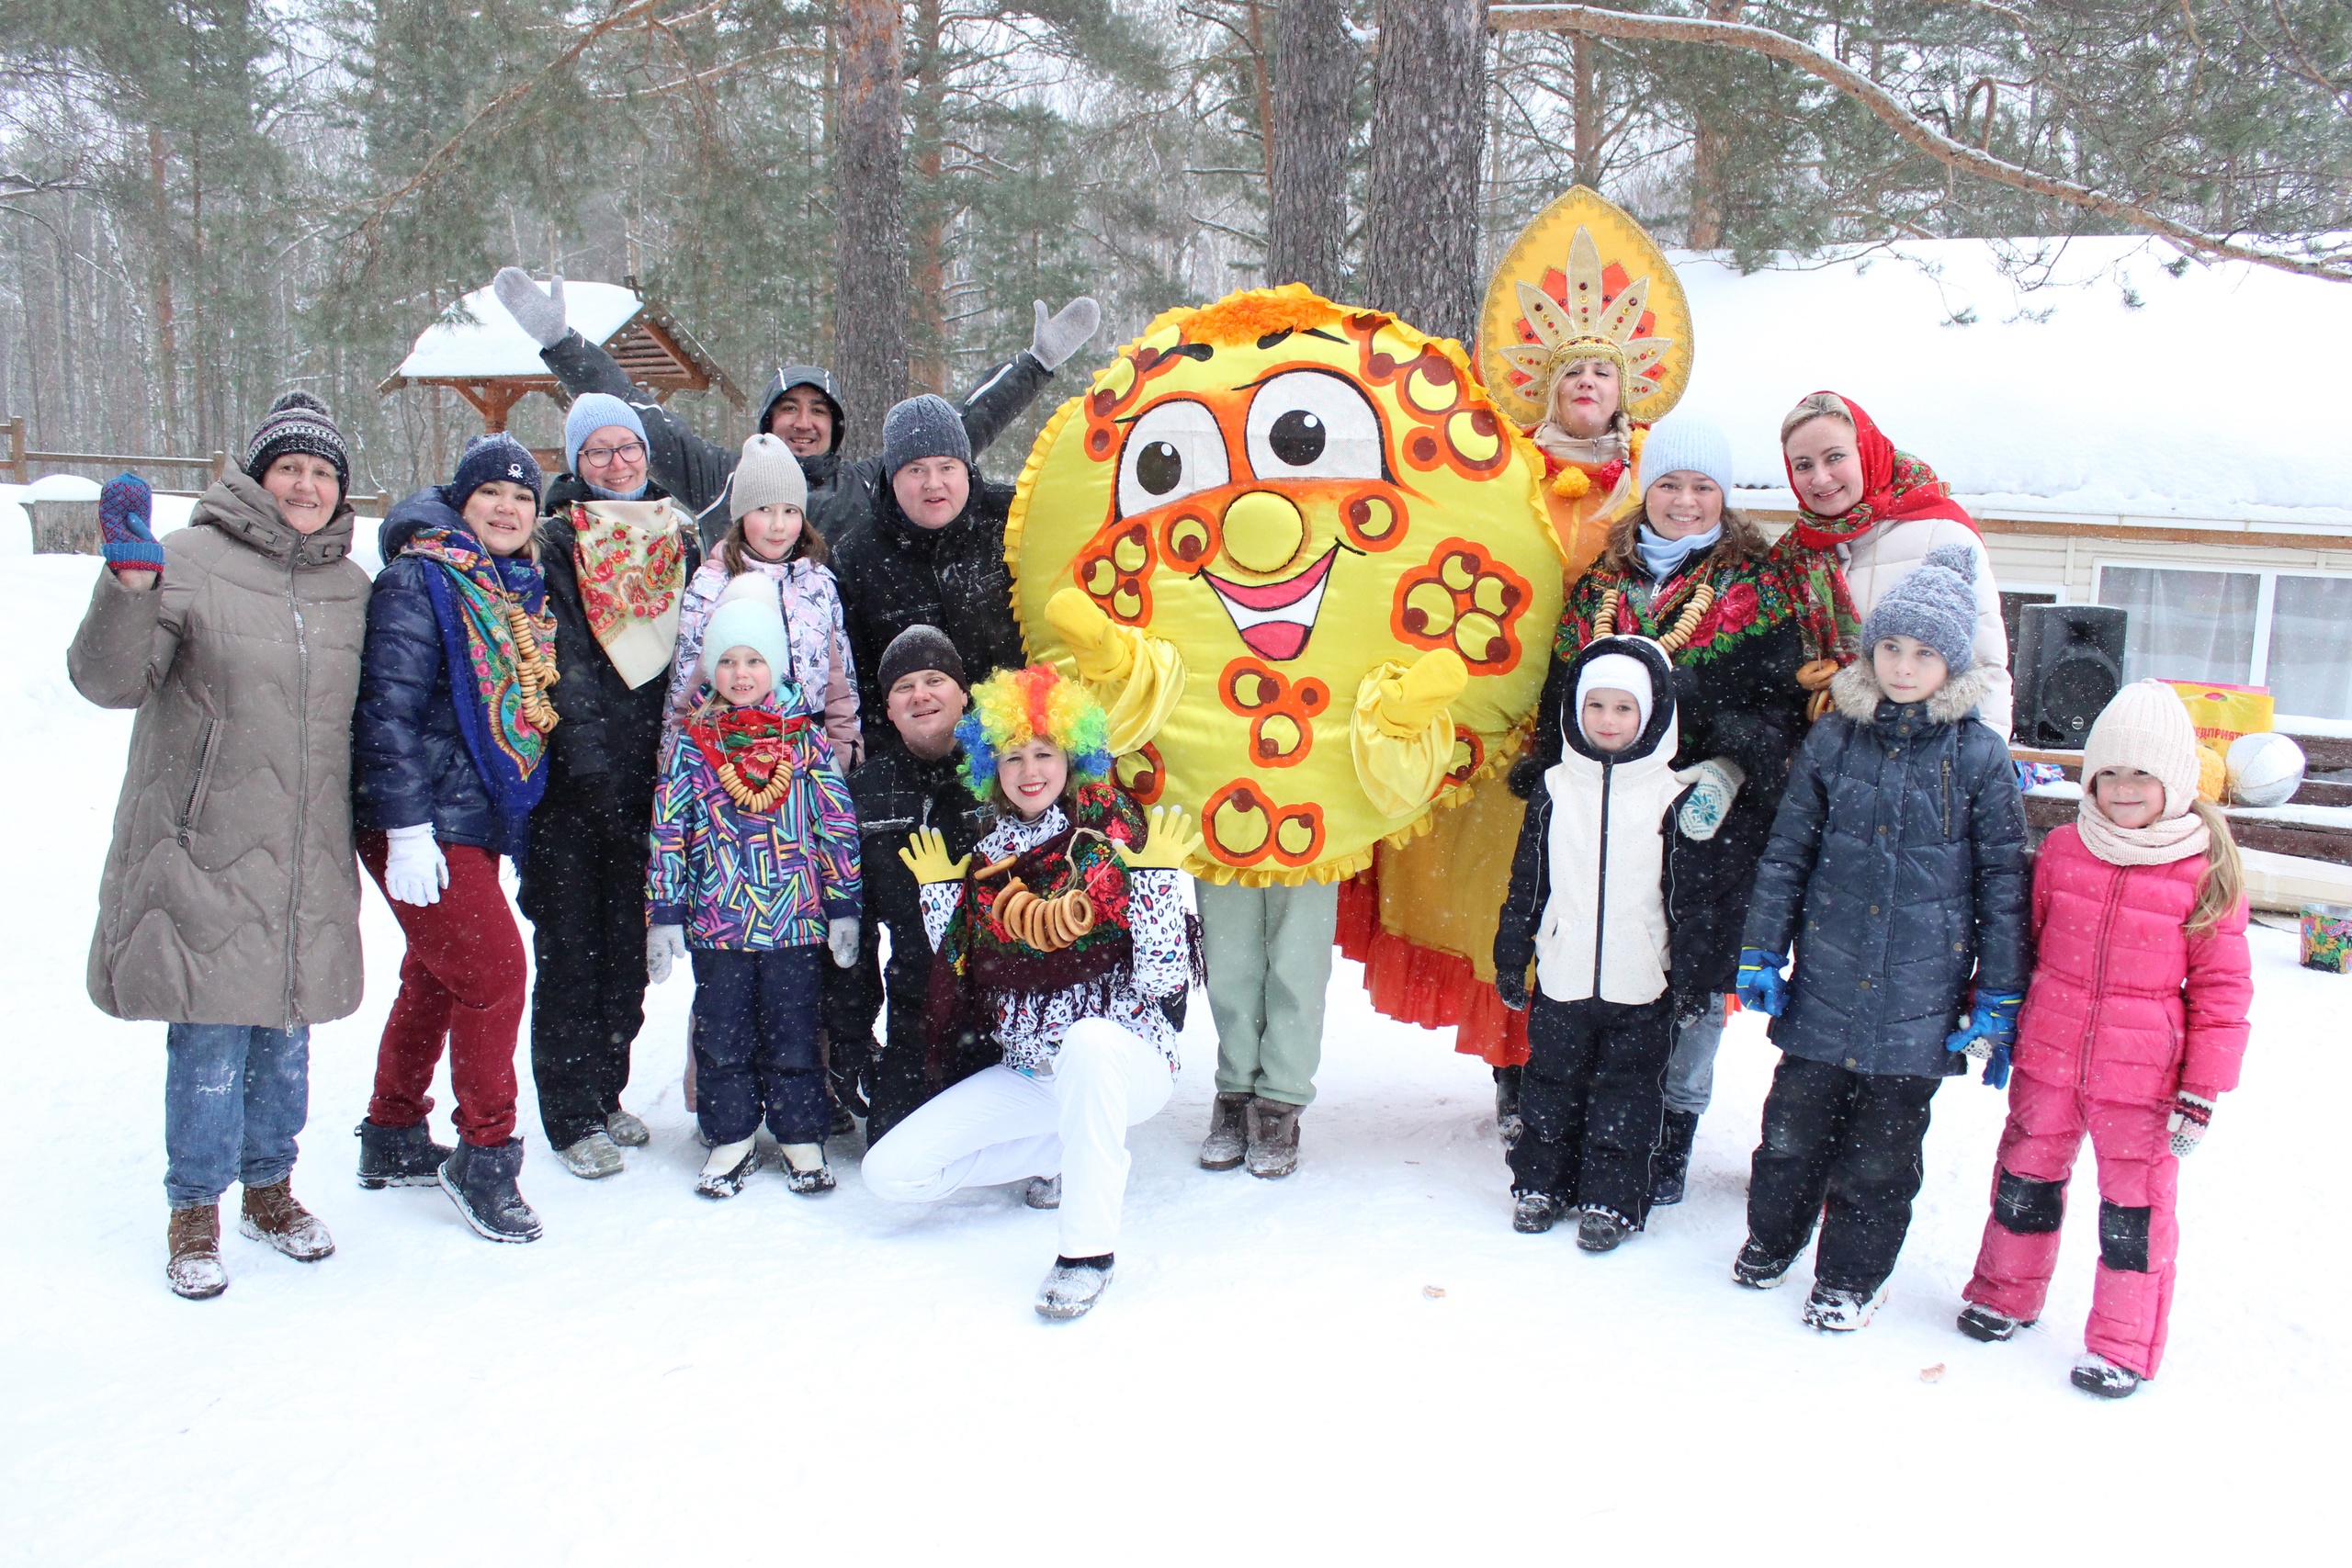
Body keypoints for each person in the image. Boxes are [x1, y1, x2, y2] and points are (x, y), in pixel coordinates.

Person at [67, 393, 370, 1300]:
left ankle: (270, 1190)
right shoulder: (190, 561)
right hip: (204, 843)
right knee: (208, 1035)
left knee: (286, 1030)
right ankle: (194, 1209)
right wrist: (130, 587)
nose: (306, 486)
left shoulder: (352, 588)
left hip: (308, 849)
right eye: (289, 468)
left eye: (322, 472)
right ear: (256, 476)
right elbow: (109, 681)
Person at [1516, 415, 1838, 1205]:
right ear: (1646, 490)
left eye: (1702, 486)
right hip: (1606, 818)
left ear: (1723, 495)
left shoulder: (1758, 585)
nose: (1685, 501)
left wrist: (1728, 755)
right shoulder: (1602, 582)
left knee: (1692, 969)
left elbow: (1781, 706)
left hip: (1705, 815)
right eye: (1668, 484)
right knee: (1604, 961)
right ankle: (1597, 1126)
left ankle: (1673, 1125)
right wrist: (1550, 762)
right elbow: (1564, 688)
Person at [1733, 545, 2030, 1330]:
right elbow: (1788, 852)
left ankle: (1850, 1278)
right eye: (1891, 646)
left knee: (1880, 1157)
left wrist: (1999, 994)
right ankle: (1771, 1238)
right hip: (1826, 983)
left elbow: (2004, 886)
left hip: (1918, 1003)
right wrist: (1763, 947)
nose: (1903, 665)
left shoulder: (1979, 757)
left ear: (1952, 664)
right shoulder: (1834, 740)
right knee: (1790, 1131)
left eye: (1924, 653)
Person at [863, 665, 1201, 1320]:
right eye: (1013, 756)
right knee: (890, 1173)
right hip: (1033, 1074)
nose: (1029, 771)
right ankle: (1080, 1147)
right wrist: (941, 895)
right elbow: (965, 973)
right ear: (992, 767)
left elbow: (1163, 981)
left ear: (1071, 758)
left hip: (1126, 1058)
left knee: (1088, 1041)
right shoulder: (987, 855)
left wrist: (1158, 882)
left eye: (1044, 753)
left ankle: (1086, 1253)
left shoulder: (1113, 837)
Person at [1957, 681, 2251, 1398]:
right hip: (2050, 1057)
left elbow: (2223, 991)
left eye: (2141, 773)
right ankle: (2004, 1294)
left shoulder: (2202, 867)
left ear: (2174, 779)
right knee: (2024, 1182)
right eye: (2109, 771)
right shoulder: (2065, 849)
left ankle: (2122, 1343)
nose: (2122, 788)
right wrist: (1990, 1013)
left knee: (2134, 1213)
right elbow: (2019, 945)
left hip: (2143, 1080)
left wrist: (2201, 1089)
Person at [490, 266, 1101, 546]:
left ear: (836, 427)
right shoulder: (720, 478)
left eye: (818, 411)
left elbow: (960, 430)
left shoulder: (868, 485)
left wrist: (1035, 364)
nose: (803, 422)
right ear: (767, 421)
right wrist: (563, 344)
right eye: (789, 408)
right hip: (741, 697)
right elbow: (637, 412)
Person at [352, 434, 560, 1244]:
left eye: (523, 497)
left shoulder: (512, 588)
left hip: (465, 817)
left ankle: (394, 1130)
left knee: (439, 975)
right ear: (461, 501)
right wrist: (407, 829)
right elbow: (387, 710)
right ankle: (486, 1156)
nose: (508, 508)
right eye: (491, 494)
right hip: (419, 819)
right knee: (497, 974)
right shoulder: (422, 577)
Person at [522, 398, 699, 1179]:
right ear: (575, 462)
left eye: (628, 447)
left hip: (654, 781)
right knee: (571, 950)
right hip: (574, 787)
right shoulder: (556, 542)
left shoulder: (676, 536)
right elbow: (563, 660)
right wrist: (592, 768)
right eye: (597, 451)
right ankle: (569, 1112)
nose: (617, 463)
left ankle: (605, 1090)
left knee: (628, 952)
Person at [647, 575, 863, 1198]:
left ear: (776, 666)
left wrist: (843, 904)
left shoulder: (805, 739)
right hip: (720, 922)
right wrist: (666, 911)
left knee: (794, 1028)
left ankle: (800, 1133)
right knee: (722, 1031)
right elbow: (669, 827)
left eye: (754, 660)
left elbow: (835, 822)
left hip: (795, 919)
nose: (741, 674)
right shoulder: (694, 744)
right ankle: (731, 1135)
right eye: (728, 661)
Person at [1490, 636, 1690, 1251]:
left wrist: (1692, 973)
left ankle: (1612, 1197)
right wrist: (1513, 952)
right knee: (1550, 1083)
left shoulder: (1671, 794)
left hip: (1643, 977)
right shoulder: (1555, 787)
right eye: (1595, 705)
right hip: (1564, 968)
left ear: (1650, 713)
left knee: (1628, 1092)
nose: (1607, 719)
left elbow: (1687, 897)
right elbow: (1529, 879)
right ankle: (1540, 1183)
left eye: (1624, 708)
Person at [829, 626, 992, 1144]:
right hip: (917, 1011)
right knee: (891, 1146)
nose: (920, 695)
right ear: (889, 709)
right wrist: (852, 1037)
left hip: (1005, 1004)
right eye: (904, 687)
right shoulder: (865, 791)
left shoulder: (1008, 774)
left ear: (963, 695)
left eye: (935, 680)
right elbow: (853, 931)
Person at [1777, 390, 2010, 734]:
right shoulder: (1794, 554)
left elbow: (1985, 663)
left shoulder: (1939, 531)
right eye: (1803, 465)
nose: (1821, 477)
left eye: (1835, 457)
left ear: (1866, 452)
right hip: (1825, 753)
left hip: (1927, 748)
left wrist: (1988, 751)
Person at [827, 394, 1031, 723]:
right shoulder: (855, 560)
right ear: (892, 478)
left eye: (946, 467)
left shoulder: (1016, 519)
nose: (933, 484)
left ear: (966, 469)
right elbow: (859, 686)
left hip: (1023, 737)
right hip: (918, 744)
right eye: (916, 470)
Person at [662, 433, 858, 767]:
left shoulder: (819, 583)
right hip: (728, 753)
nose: (778, 525)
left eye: (790, 511)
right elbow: (685, 688)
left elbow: (840, 685)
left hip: (808, 754)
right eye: (764, 510)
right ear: (741, 516)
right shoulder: (711, 585)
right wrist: (673, 760)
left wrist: (844, 751)